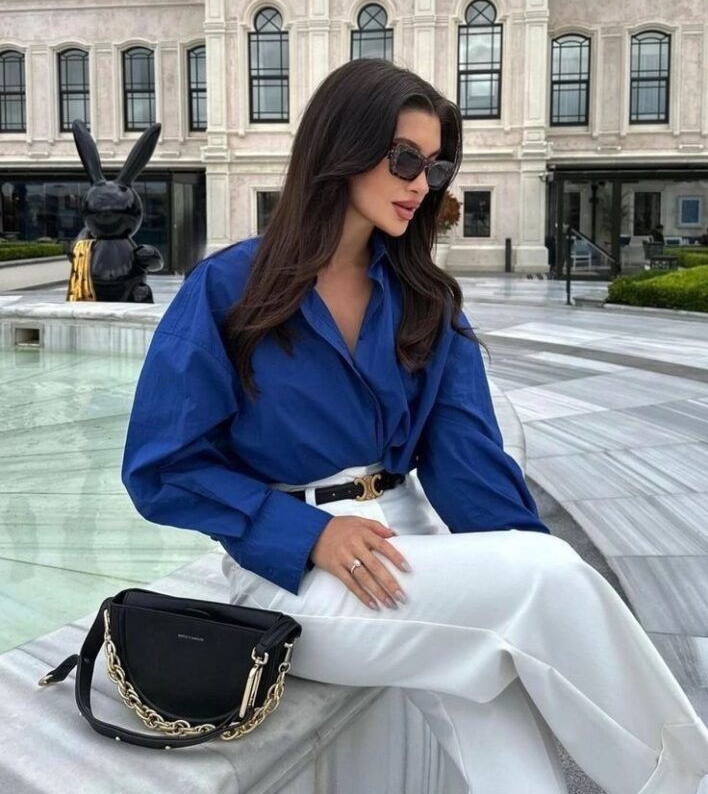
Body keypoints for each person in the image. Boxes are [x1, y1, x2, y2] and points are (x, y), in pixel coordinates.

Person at [122, 58, 708, 794]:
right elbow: (161, 468)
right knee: (551, 580)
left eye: (435, 167)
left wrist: (509, 561)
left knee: (517, 766)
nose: (420, 183)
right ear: (341, 147)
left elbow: (469, 463)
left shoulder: (426, 299)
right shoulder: (229, 289)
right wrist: (305, 535)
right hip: (295, 574)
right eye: (404, 158)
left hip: (418, 549)